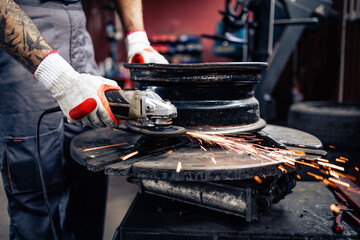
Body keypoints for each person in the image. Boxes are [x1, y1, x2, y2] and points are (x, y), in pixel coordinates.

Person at [0, 0, 167, 239]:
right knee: (36, 193)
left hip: (79, 29)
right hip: (21, 29)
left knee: (91, 175)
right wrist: (59, 78)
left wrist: (138, 39)